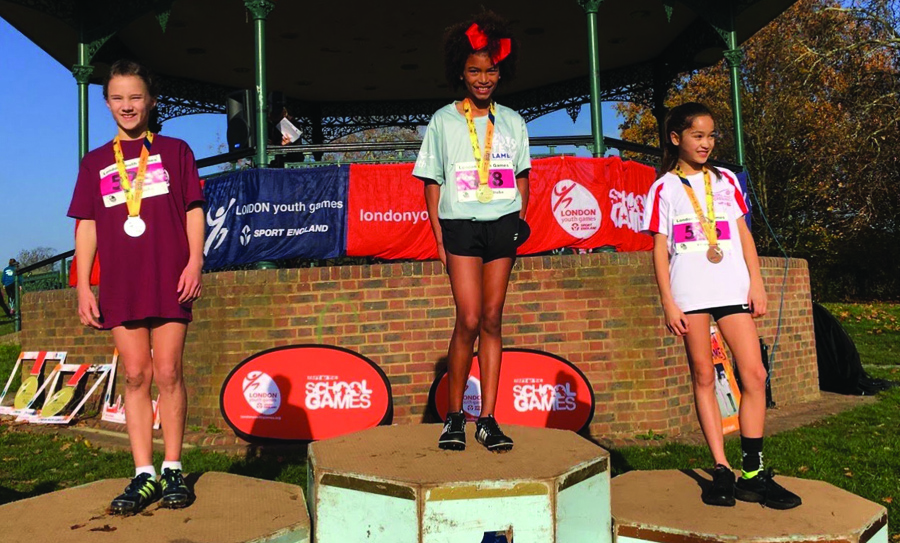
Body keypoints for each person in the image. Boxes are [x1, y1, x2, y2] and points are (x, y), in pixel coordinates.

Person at [642, 102, 801, 509]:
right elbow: (659, 249)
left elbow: (743, 234)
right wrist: (667, 301)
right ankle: (721, 468)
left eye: (711, 135)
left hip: (732, 289)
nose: (706, 143)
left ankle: (752, 472)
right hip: (690, 294)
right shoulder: (664, 188)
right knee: (703, 376)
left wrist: (756, 282)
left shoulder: (726, 180)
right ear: (675, 138)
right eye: (697, 135)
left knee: (754, 373)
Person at [67, 60, 205, 514]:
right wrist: (84, 285)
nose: (127, 105)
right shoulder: (94, 162)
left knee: (168, 372)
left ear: (151, 101)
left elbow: (193, 209)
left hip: (169, 276)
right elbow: (87, 225)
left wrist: (195, 262)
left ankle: (173, 468)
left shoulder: (176, 150)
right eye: (118, 98)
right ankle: (144, 474)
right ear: (107, 103)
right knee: (134, 375)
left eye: (135, 97)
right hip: (121, 283)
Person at [413, 12, 530, 453]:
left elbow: (523, 177)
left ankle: (488, 419)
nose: (483, 79)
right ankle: (454, 416)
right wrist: (439, 238)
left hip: (503, 226)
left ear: (501, 72)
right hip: (460, 227)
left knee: (493, 319)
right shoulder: (443, 120)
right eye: (475, 71)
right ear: (460, 73)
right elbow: (432, 182)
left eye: (491, 71)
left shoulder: (513, 121)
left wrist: (517, 220)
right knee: (468, 318)